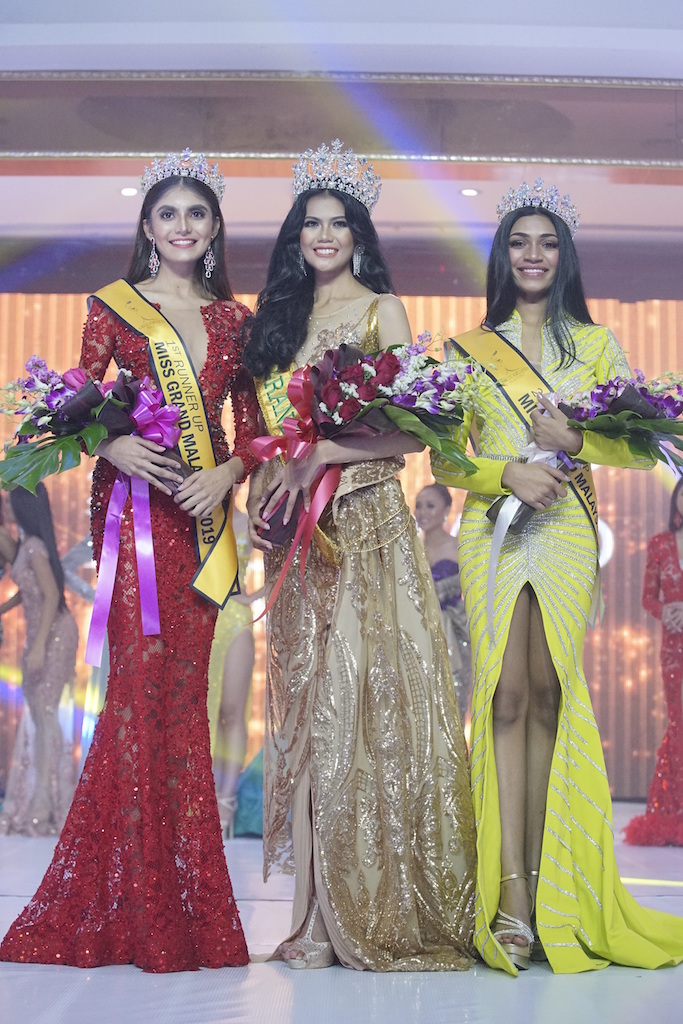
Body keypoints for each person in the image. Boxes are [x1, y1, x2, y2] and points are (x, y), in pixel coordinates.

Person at [0, 151, 258, 972]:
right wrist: (112, 440)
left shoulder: (234, 322)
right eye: (167, 214)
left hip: (202, 520)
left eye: (196, 214)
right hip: (135, 517)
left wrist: (228, 471)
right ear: (146, 227)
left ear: (214, 227)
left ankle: (182, 905)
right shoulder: (113, 308)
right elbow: (75, 401)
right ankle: (127, 899)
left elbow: (251, 426)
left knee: (185, 701)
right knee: (136, 693)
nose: (182, 226)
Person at [432, 179, 683, 974]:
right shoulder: (467, 349)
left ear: (562, 255)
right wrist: (505, 472)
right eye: (517, 242)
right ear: (502, 257)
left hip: (568, 531)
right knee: (502, 695)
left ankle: (555, 899)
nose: (532, 254)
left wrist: (573, 441)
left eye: (545, 242)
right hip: (492, 530)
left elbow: (637, 446)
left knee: (551, 694)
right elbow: (443, 458)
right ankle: (507, 903)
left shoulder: (598, 345)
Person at [243, 140, 476, 972]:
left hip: (368, 523)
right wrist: (265, 500)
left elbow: (414, 426)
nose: (324, 235)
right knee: (306, 718)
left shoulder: (383, 310)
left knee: (362, 711)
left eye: (338, 223)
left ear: (358, 234)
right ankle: (311, 918)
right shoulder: (274, 324)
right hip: (294, 541)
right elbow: (268, 442)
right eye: (311, 224)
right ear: (295, 236)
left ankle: (371, 905)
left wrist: (330, 451)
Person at [0, 485, 77, 836]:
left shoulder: (34, 547)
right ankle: (41, 798)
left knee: (46, 714)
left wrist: (40, 646)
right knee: (39, 714)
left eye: (12, 502)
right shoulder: (27, 545)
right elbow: (30, 589)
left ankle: (49, 802)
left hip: (53, 633)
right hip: (41, 633)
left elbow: (50, 596)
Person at [624, 477, 683, 846]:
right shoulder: (660, 544)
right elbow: (649, 598)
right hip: (673, 648)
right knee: (679, 723)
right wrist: (667, 610)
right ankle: (670, 812)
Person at [207, 500, 263, 838]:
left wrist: (257, 594)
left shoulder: (249, 520)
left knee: (232, 712)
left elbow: (288, 555)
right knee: (200, 713)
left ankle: (226, 800)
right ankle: (198, 797)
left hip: (235, 620)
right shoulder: (199, 519)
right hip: (199, 619)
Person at [414, 482, 471, 721]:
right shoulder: (411, 549)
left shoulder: (460, 547)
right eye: (418, 506)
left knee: (453, 703)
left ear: (447, 508)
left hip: (456, 637)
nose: (422, 512)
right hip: (419, 634)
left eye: (430, 505)